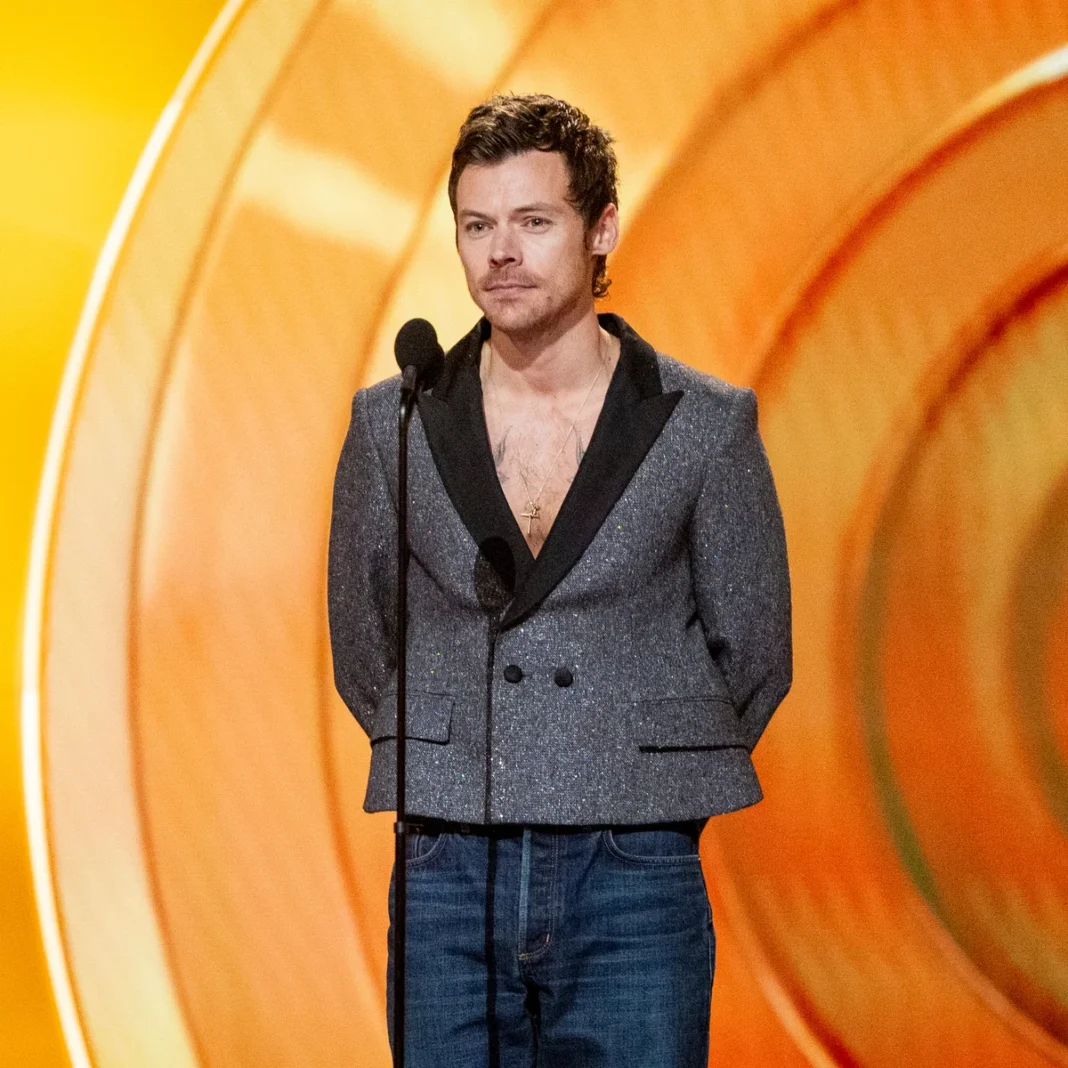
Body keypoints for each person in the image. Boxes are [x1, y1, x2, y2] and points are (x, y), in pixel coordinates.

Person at [327, 93, 792, 1068]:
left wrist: (632, 763)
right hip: (448, 860)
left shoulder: (705, 424)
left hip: (634, 864)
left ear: (601, 229)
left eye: (533, 222)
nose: (501, 253)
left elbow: (753, 649)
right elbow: (365, 642)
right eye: (477, 226)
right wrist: (454, 753)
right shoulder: (391, 423)